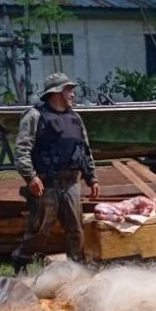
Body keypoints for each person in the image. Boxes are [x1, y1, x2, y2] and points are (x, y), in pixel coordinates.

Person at [11, 72, 100, 272]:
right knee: (40, 231)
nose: (73, 94)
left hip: (71, 183)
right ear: (57, 92)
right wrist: (30, 176)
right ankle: (22, 260)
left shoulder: (75, 118)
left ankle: (78, 270)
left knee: (76, 230)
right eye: (69, 90)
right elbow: (22, 150)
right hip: (46, 184)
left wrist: (91, 177)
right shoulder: (35, 116)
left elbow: (84, 149)